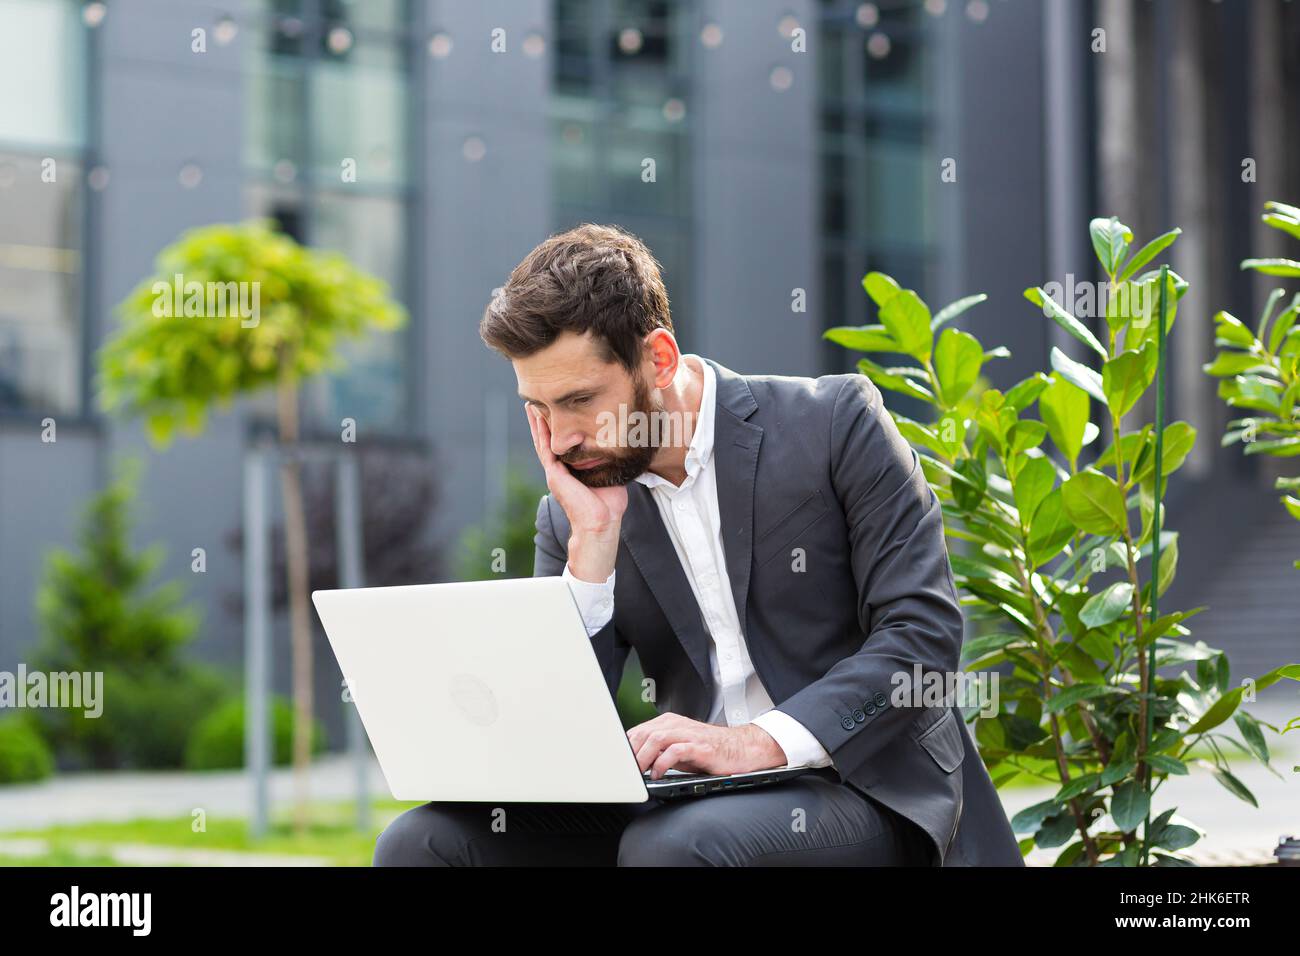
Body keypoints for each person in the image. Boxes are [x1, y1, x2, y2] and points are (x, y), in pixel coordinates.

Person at [373, 223, 1023, 866]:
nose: (562, 437)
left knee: (674, 847)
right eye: (539, 408)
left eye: (579, 400)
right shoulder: (574, 512)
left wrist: (754, 742)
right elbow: (564, 739)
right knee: (420, 844)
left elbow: (923, 640)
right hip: (692, 796)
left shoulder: (834, 424)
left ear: (657, 358)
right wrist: (591, 555)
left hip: (862, 784)